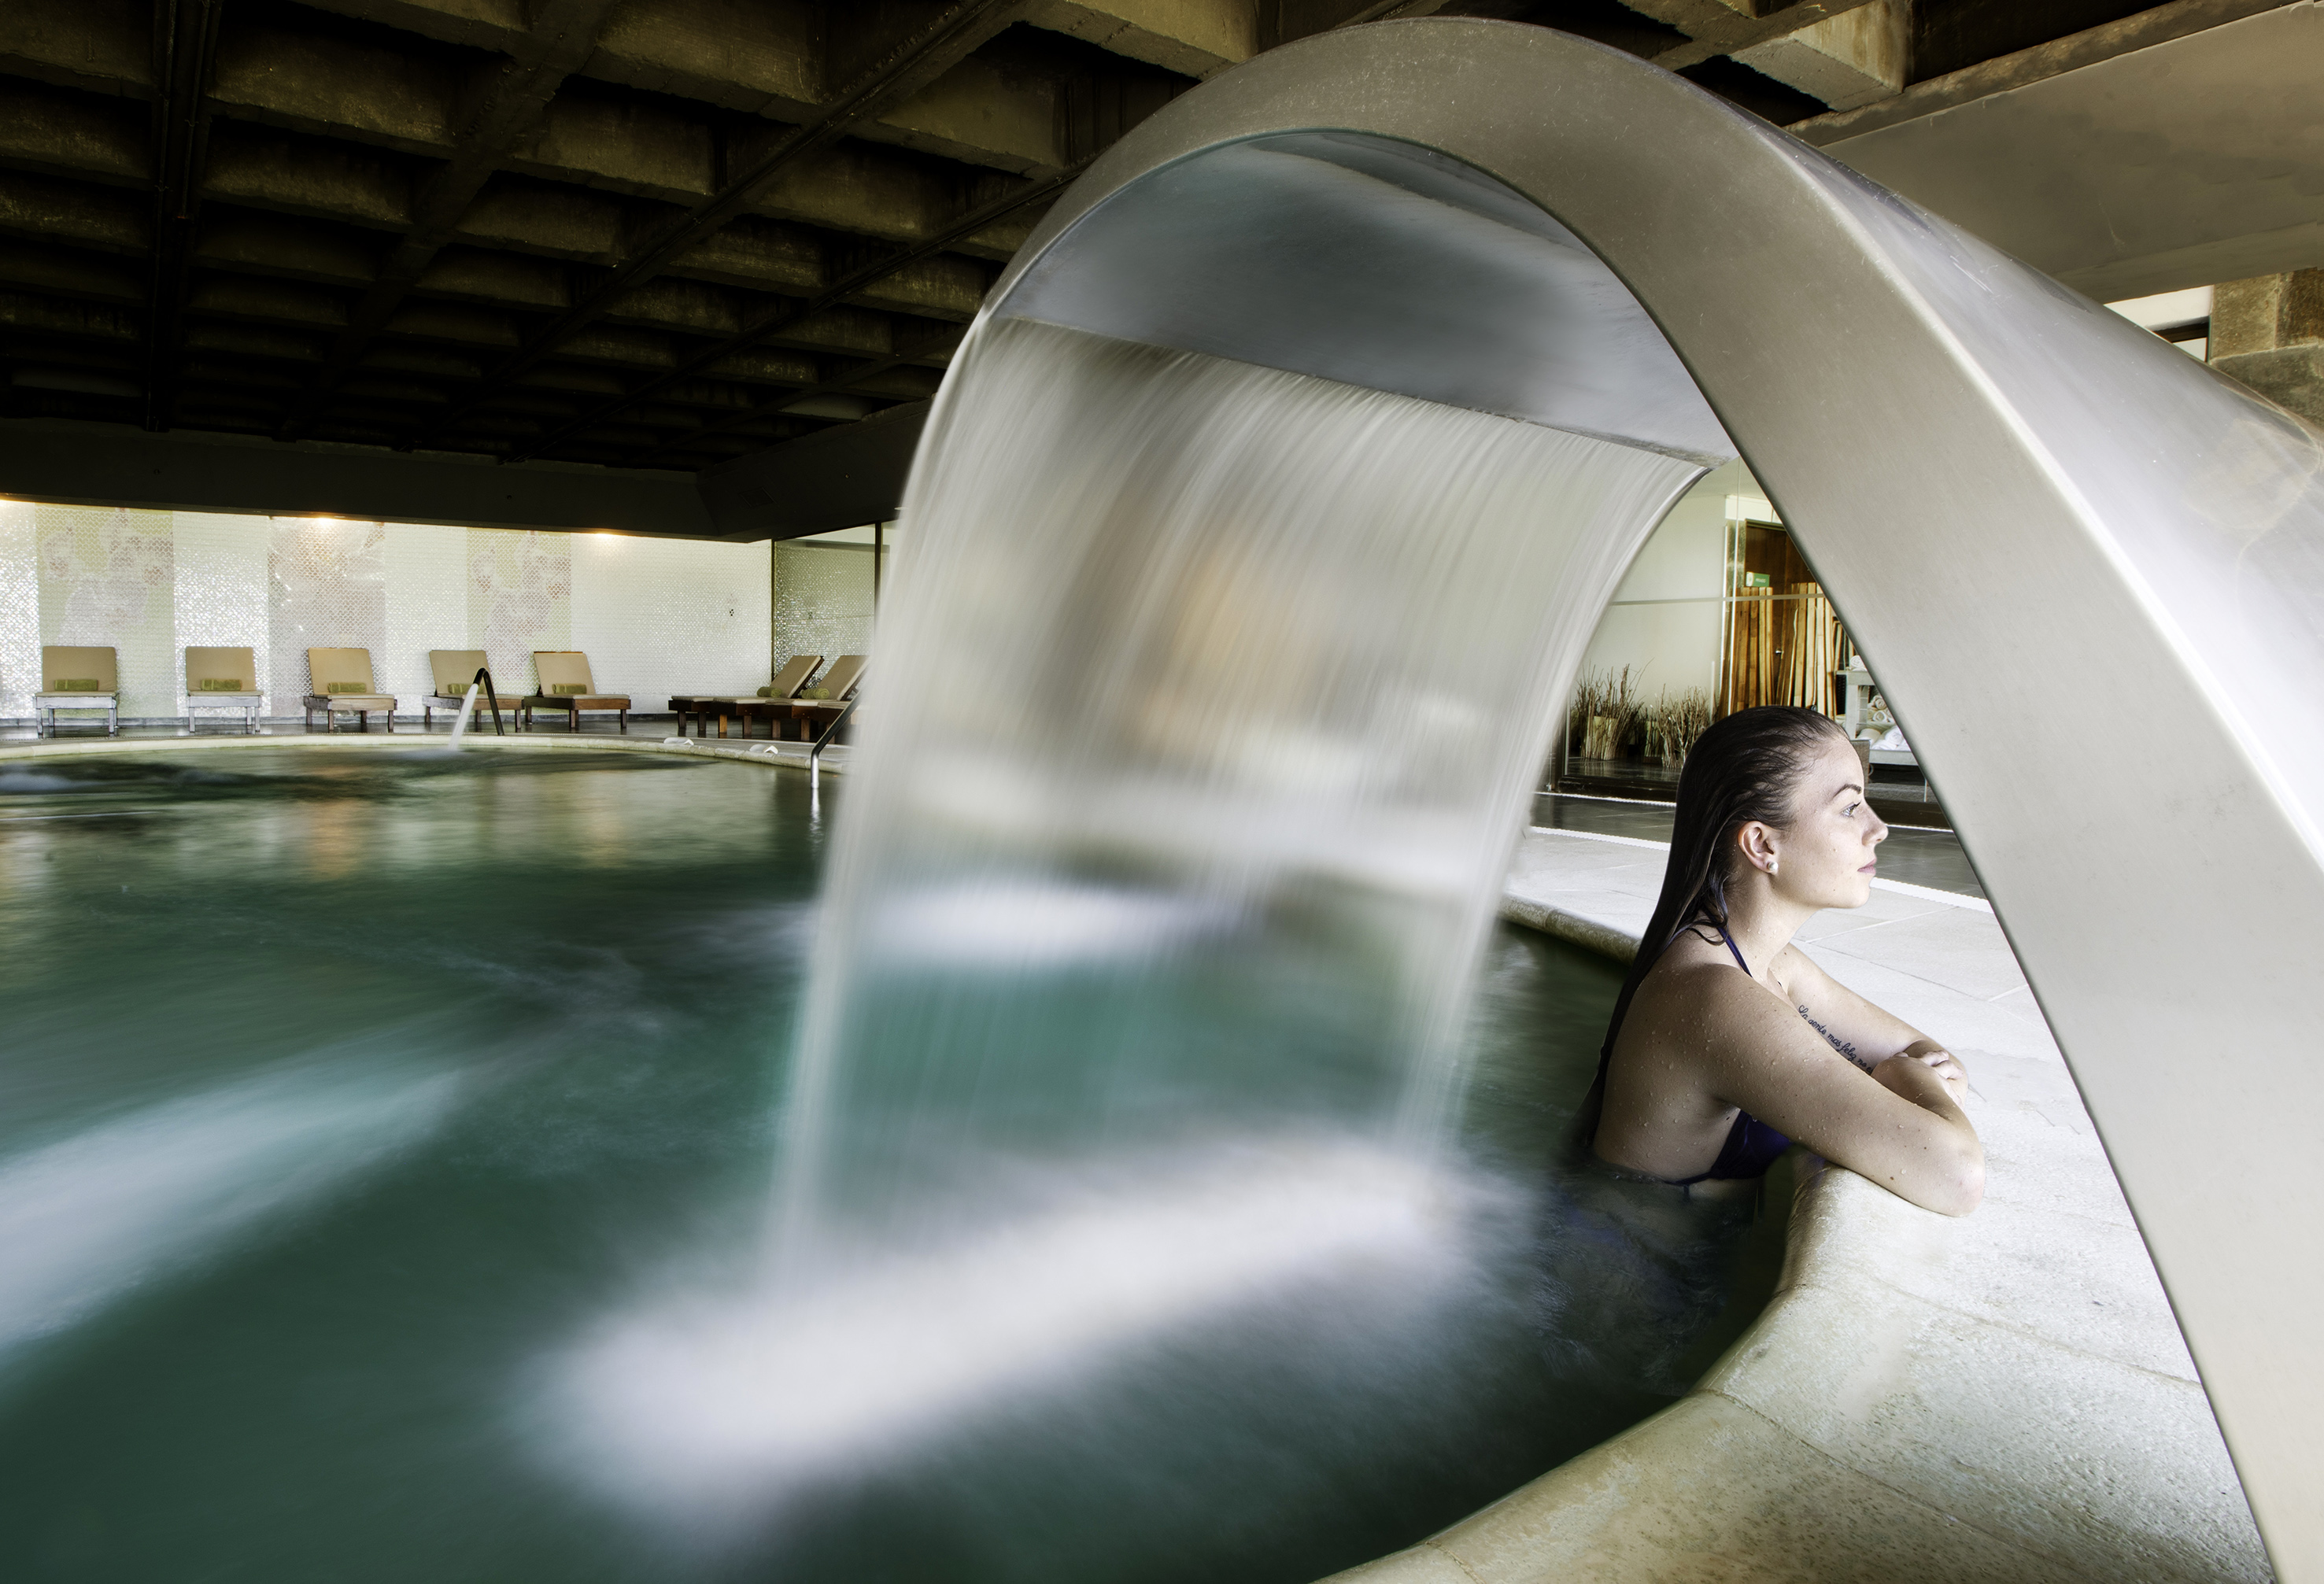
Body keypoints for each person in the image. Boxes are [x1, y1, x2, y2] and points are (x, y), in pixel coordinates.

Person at [1583, 706, 1983, 1215]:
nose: (1878, 827)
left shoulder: (1772, 965)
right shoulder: (1713, 996)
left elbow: (1923, 1051)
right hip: (1624, 1261)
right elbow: (1955, 1175)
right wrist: (1911, 1079)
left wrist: (1910, 1071)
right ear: (1762, 844)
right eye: (1849, 808)